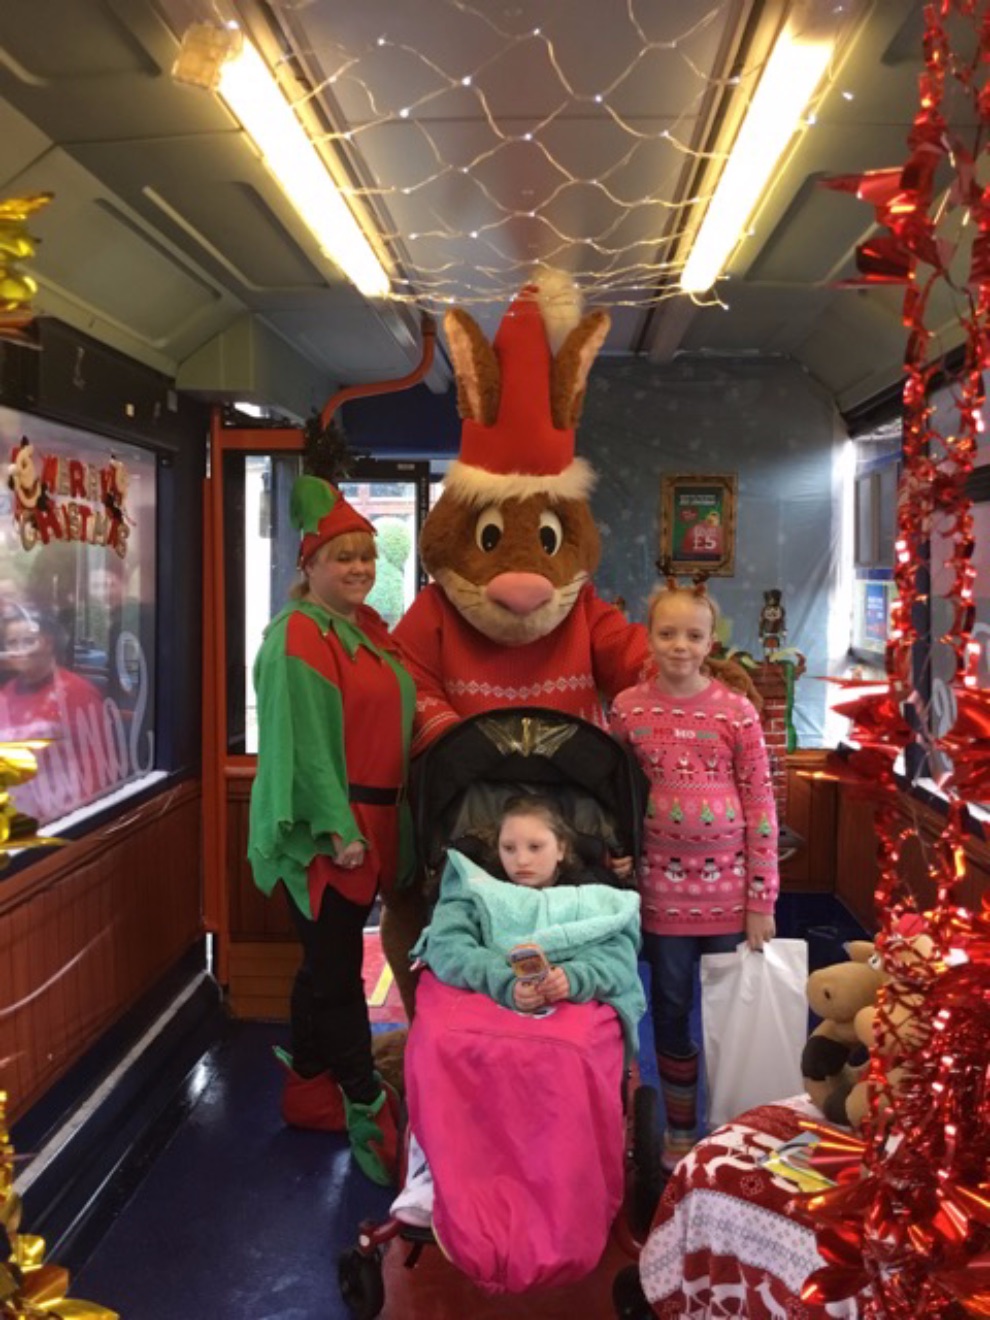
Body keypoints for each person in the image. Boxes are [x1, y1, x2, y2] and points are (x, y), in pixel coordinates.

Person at [247, 475, 415, 1187]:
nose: (359, 568)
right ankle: (367, 1108)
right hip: (330, 831)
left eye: (366, 557)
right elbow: (305, 743)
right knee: (339, 972)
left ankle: (308, 1091)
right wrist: (335, 827)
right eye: (343, 556)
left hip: (370, 822)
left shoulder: (361, 630)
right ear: (309, 565)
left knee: (324, 964)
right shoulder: (301, 635)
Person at [390, 793, 644, 1226]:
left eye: (535, 847)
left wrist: (574, 978)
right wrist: (504, 982)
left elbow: (618, 959)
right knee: (440, 1041)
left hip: (561, 999)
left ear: (561, 848)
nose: (521, 860)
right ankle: (432, 1167)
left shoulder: (596, 896)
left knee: (566, 1051)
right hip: (489, 989)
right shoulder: (474, 888)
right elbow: (449, 948)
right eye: (509, 848)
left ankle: (569, 1172)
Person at [610, 577, 779, 1171]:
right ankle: (681, 1128)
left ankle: (733, 1126)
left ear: (710, 643)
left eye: (693, 635)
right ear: (649, 637)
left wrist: (761, 901)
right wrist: (618, 851)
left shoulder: (736, 712)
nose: (679, 645)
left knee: (732, 1013)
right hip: (661, 896)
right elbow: (616, 793)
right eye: (667, 633)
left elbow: (761, 805)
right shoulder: (627, 710)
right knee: (671, 1005)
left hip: (730, 899)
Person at [0, 610, 107, 821]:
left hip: (62, 814)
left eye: (29, 641)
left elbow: (98, 764)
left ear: (48, 643)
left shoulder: (77, 692)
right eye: (12, 643)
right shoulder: (6, 693)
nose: (20, 650)